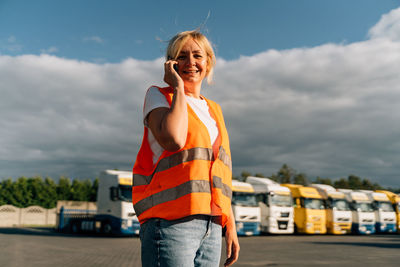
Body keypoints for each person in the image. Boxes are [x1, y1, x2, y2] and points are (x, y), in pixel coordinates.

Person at [132, 30, 239, 267]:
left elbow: (221, 176)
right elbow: (173, 140)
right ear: (171, 64)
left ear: (208, 62)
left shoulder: (215, 111)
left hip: (211, 226)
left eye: (197, 55)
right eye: (181, 56)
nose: (190, 62)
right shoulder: (159, 96)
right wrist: (178, 88)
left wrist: (229, 225)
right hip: (170, 224)